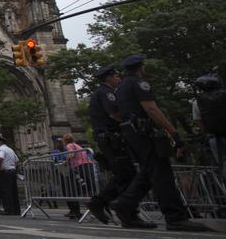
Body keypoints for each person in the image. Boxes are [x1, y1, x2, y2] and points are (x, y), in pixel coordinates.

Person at [111, 54, 211, 232]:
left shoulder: (120, 88)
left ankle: (125, 205)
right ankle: (175, 217)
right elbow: (151, 108)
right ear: (141, 68)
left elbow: (116, 114)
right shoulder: (139, 83)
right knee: (162, 174)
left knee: (149, 172)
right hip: (147, 134)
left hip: (132, 135)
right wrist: (172, 131)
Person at [86, 64, 149, 226]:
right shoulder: (106, 93)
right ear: (107, 78)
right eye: (115, 76)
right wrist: (133, 122)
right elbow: (115, 114)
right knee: (127, 174)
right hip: (113, 140)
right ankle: (126, 212)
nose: (118, 78)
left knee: (124, 175)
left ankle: (104, 204)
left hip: (109, 140)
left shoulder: (100, 94)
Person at [192, 73, 226, 179]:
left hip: (215, 138)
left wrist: (207, 134)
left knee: (223, 162)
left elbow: (199, 122)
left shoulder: (197, 102)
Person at [62, 133, 96, 217]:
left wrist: (65, 162)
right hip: (87, 166)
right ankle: (94, 209)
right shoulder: (77, 145)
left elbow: (71, 154)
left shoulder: (69, 145)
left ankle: (75, 210)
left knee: (72, 189)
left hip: (79, 168)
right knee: (89, 189)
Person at [51, 137, 78, 217]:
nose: (58, 144)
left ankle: (76, 210)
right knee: (65, 192)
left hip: (70, 172)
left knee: (72, 191)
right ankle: (72, 210)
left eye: (60, 142)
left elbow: (70, 158)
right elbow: (53, 160)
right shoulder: (55, 151)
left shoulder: (67, 149)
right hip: (61, 172)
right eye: (57, 142)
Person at [0, 134, 20, 215]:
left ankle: (8, 209)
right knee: (14, 191)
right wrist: (13, 167)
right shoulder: (10, 149)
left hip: (5, 173)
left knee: (6, 191)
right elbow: (17, 161)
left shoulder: (0, 149)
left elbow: (0, 158)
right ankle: (16, 210)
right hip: (12, 172)